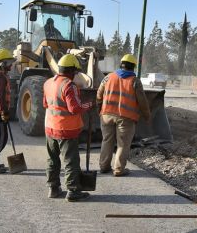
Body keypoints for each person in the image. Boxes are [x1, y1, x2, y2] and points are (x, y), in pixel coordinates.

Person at [43, 54, 93, 201]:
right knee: (71, 161)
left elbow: (46, 104)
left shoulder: (48, 83)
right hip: (66, 130)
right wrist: (90, 104)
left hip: (50, 127)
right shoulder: (69, 86)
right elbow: (75, 108)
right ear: (71, 71)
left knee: (52, 159)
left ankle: (53, 188)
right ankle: (73, 191)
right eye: (76, 72)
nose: (76, 75)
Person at [97, 54, 150, 176]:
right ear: (133, 67)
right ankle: (119, 169)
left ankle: (104, 167)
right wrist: (147, 116)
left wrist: (99, 108)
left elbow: (99, 94)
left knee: (106, 140)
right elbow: (142, 101)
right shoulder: (135, 81)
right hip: (125, 117)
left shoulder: (108, 77)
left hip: (106, 115)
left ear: (121, 64)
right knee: (123, 143)